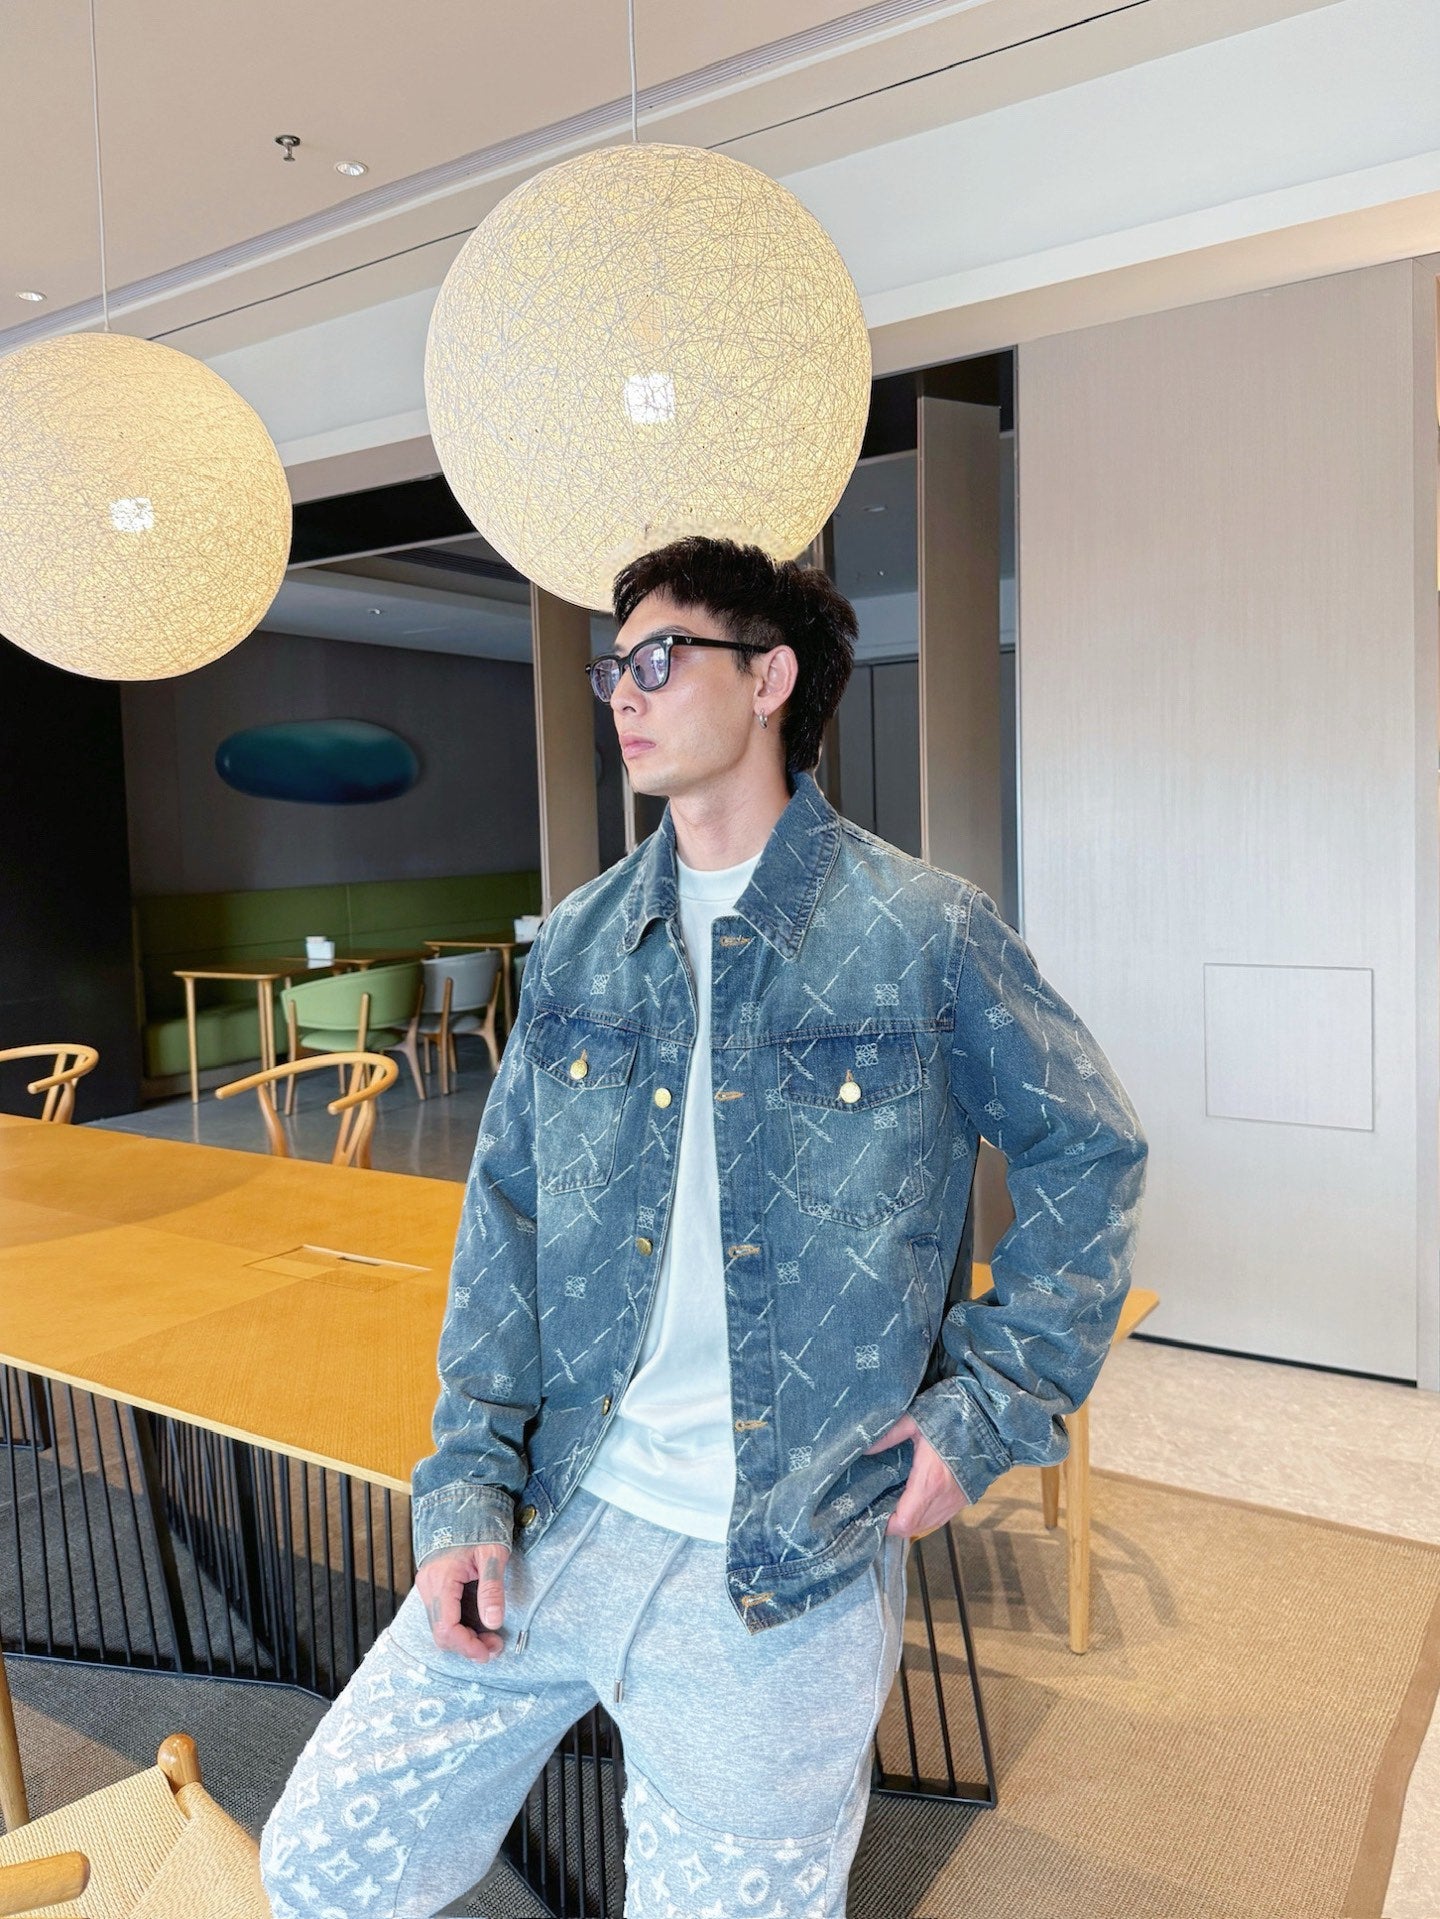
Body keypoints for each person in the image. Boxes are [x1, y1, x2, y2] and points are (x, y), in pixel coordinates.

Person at [260, 536, 1148, 1919]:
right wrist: (466, 1482)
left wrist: (990, 1407)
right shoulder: (580, 942)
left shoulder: (921, 930)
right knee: (321, 1864)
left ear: (771, 679)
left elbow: (1089, 1149)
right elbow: (505, 1225)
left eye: (661, 659)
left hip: (785, 1560)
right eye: (616, 666)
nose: (624, 691)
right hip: (556, 1514)